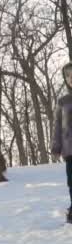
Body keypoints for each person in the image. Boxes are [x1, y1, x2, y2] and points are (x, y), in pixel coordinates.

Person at [51, 62, 72, 224]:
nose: (70, 78)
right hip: (69, 149)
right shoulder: (62, 101)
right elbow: (57, 125)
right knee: (71, 180)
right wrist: (56, 147)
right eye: (67, 76)